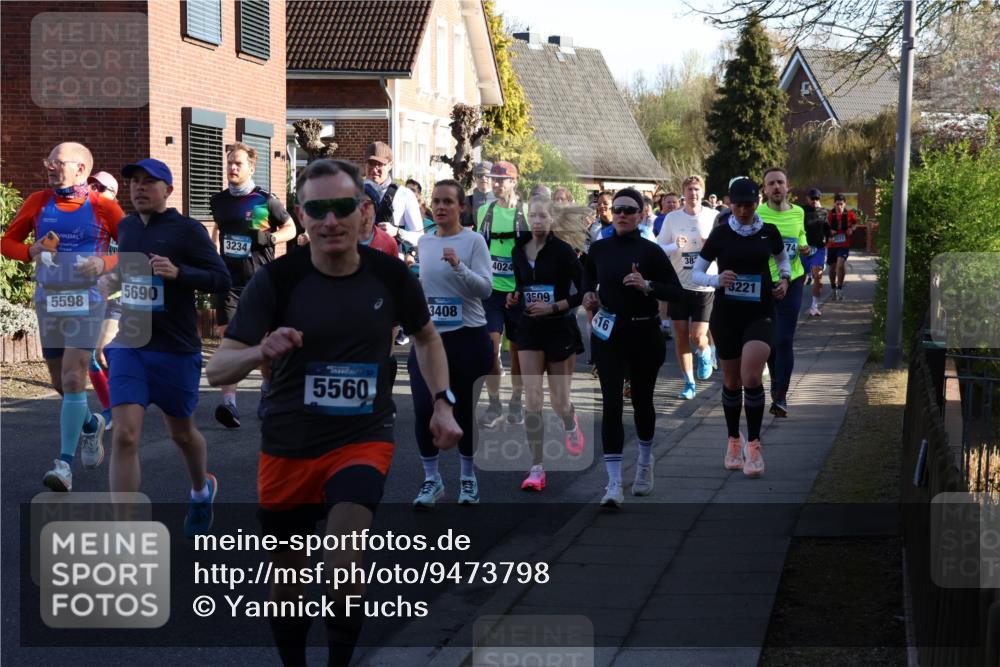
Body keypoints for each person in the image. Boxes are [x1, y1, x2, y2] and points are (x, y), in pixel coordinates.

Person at [206, 158, 461, 666]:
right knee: (289, 581)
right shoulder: (277, 281)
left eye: (342, 207)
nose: (330, 220)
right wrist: (261, 350)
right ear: (300, 214)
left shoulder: (391, 276)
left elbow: (429, 341)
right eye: (316, 209)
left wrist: (441, 401)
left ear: (363, 211)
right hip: (288, 441)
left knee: (343, 562)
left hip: (362, 436)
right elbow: (218, 371)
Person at [103, 158, 231, 536]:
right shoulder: (125, 228)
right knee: (125, 433)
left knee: (182, 433)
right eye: (135, 182)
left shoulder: (188, 230)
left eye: (149, 182)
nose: (139, 188)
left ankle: (200, 488)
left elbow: (221, 279)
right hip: (131, 344)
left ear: (168, 190)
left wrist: (180, 273)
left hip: (175, 348)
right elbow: (126, 276)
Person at [1, 142, 124, 491]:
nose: (50, 167)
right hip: (49, 300)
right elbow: (6, 242)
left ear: (81, 169)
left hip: (88, 301)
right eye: (48, 162)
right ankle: (90, 425)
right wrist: (30, 250)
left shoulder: (104, 206)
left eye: (58, 162)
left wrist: (105, 263)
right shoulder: (39, 202)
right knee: (60, 383)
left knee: (73, 379)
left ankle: (63, 465)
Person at [582, 188, 685, 507]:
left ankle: (644, 462)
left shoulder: (650, 251)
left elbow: (677, 292)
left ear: (642, 215)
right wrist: (588, 296)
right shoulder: (598, 249)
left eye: (629, 210)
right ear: (611, 214)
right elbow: (586, 281)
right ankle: (613, 484)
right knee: (611, 405)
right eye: (617, 209)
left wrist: (648, 286)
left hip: (644, 333)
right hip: (609, 335)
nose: (623, 214)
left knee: (642, 402)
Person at [691, 178, 792, 479]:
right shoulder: (720, 234)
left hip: (761, 313)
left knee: (751, 376)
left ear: (757, 202)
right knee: (732, 382)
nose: (744, 210)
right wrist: (715, 280)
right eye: (739, 204)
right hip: (727, 316)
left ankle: (755, 443)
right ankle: (733, 440)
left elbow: (782, 258)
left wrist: (784, 280)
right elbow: (696, 272)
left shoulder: (768, 232)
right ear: (729, 203)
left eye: (749, 204)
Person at [408, 179, 493, 507]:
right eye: (436, 201)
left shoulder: (473, 242)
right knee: (422, 409)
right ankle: (432, 480)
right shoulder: (425, 243)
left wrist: (459, 267)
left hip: (468, 338)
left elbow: (484, 290)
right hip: (430, 339)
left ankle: (467, 478)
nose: (441, 207)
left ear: (461, 208)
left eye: (448, 202)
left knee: (463, 411)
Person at [210, 142, 296, 428]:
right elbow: (219, 229)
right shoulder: (219, 201)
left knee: (263, 343)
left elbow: (291, 228)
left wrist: (269, 238)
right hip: (229, 282)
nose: (232, 168)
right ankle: (230, 405)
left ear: (251, 167)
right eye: (230, 163)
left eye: (238, 164)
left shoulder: (265, 199)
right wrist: (213, 255)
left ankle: (267, 390)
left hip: (260, 281)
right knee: (227, 339)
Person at [509, 195, 587, 491]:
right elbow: (521, 285)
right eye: (533, 215)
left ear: (552, 219)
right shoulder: (518, 249)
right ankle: (536, 468)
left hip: (559, 328)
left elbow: (583, 292)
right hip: (529, 328)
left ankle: (570, 421)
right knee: (532, 398)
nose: (538, 220)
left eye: (543, 215)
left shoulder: (564, 251)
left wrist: (553, 307)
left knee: (558, 401)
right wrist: (514, 295)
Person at [476, 160, 529, 428]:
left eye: (501, 179)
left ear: (514, 182)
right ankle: (494, 402)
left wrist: (522, 288)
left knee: (518, 354)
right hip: (492, 293)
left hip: (518, 295)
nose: (496, 183)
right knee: (489, 349)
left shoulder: (526, 213)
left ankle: (516, 400)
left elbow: (533, 255)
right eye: (493, 179)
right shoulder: (484, 211)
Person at [657, 175, 718, 399]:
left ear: (703, 192)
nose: (693, 193)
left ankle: (704, 350)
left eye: (697, 189)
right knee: (681, 335)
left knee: (697, 335)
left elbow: (724, 248)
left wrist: (709, 245)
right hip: (678, 285)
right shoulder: (672, 219)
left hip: (704, 285)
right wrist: (675, 245)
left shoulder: (714, 216)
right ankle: (689, 382)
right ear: (684, 192)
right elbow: (659, 249)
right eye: (689, 189)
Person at [757, 167, 808, 419]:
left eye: (780, 182)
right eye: (771, 184)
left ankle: (780, 396)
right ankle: (776, 381)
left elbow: (800, 238)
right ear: (765, 189)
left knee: (784, 339)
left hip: (793, 281)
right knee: (770, 341)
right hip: (766, 284)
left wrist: (805, 247)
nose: (776, 187)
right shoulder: (758, 215)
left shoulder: (798, 212)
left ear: (787, 186)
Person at [364, 142, 424, 345]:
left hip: (391, 263)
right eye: (370, 164)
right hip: (359, 263)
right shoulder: (355, 191)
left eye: (379, 164)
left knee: (387, 322)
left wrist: (396, 231)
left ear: (390, 164)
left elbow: (420, 236)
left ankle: (385, 361)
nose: (374, 169)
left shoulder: (404, 195)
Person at [86, 171, 122, 430]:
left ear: (113, 194)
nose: (94, 188)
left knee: (101, 351)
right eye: (92, 184)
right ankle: (113, 407)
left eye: (101, 186)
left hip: (117, 297)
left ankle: (120, 403)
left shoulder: (121, 222)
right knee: (91, 356)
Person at [802, 188, 833, 316]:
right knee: (799, 280)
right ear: (808, 199)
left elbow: (826, 228)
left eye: (817, 199)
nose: (814, 201)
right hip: (804, 248)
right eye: (812, 198)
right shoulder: (801, 211)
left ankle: (814, 306)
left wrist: (829, 237)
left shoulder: (823, 212)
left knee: (818, 278)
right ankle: (795, 303)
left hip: (819, 249)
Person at [826, 193, 856, 301]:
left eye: (841, 204)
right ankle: (833, 288)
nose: (839, 206)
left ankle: (840, 289)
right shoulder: (830, 215)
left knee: (840, 265)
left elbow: (854, 224)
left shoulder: (850, 214)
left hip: (844, 244)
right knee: (832, 269)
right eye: (837, 204)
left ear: (845, 204)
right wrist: (830, 231)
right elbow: (825, 227)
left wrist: (851, 229)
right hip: (832, 244)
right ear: (834, 204)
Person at [463, 161, 495, 228]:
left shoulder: (502, 201)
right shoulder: (466, 201)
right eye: (480, 175)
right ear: (475, 178)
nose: (483, 178)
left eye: (487, 175)